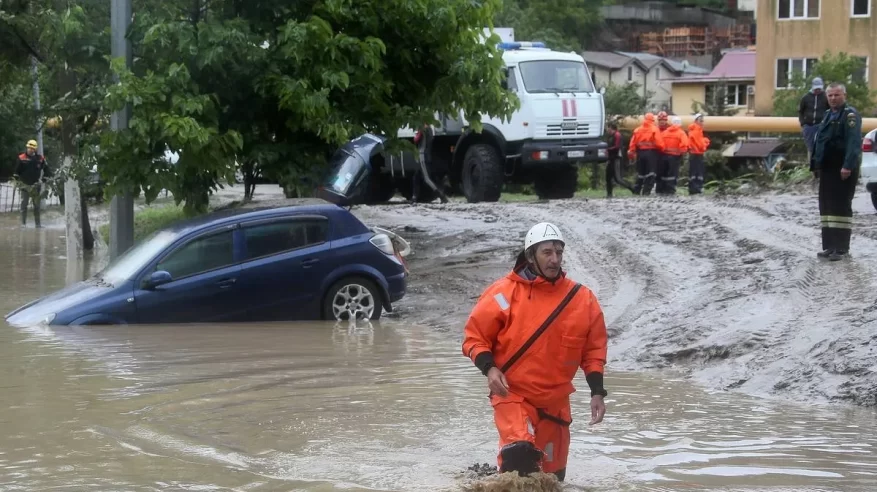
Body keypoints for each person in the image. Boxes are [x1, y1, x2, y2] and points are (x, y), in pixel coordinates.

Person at [461, 222, 609, 481]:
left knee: (552, 481)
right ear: (530, 256)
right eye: (547, 253)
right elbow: (474, 339)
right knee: (520, 457)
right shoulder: (502, 293)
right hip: (513, 396)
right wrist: (489, 368)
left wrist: (597, 391)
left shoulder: (583, 299)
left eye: (558, 253)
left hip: (556, 405)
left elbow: (594, 350)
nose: (554, 260)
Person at [811, 83, 862, 261]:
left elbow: (853, 143)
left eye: (837, 95)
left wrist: (847, 166)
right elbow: (821, 141)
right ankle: (829, 246)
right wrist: (816, 164)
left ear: (844, 96)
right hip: (828, 167)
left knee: (840, 206)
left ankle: (841, 248)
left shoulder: (850, 116)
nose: (833, 98)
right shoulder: (826, 115)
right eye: (830, 95)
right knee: (827, 207)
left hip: (843, 168)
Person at [15, 140, 53, 228]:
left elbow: (48, 170)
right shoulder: (21, 158)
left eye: (32, 148)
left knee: (36, 206)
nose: (30, 150)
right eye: (29, 148)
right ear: (27, 147)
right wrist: (17, 182)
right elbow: (16, 172)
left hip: (36, 185)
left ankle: (38, 224)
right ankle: (23, 224)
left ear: (35, 149)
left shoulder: (40, 159)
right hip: (24, 185)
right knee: (24, 205)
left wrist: (43, 180)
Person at [628, 112, 665, 195]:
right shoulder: (654, 129)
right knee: (651, 173)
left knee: (641, 173)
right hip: (651, 154)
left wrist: (632, 152)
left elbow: (632, 143)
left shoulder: (637, 130)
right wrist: (662, 149)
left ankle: (637, 190)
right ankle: (646, 191)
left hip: (640, 154)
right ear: (652, 120)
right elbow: (659, 143)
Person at [656, 116, 688, 195]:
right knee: (672, 174)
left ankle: (660, 189)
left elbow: (659, 143)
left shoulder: (665, 132)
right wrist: (682, 153)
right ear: (680, 124)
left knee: (663, 173)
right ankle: (670, 190)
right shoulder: (681, 133)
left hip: (663, 156)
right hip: (674, 157)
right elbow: (684, 145)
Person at [799, 77, 830, 157]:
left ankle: (821, 165)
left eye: (819, 89)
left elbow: (829, 110)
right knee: (810, 147)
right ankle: (811, 165)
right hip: (808, 126)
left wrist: (826, 122)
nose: (818, 91)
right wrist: (803, 123)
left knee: (821, 145)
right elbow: (801, 111)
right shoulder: (806, 98)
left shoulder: (826, 97)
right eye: (816, 89)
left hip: (821, 125)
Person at [687, 113, 710, 195]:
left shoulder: (695, 130)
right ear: (696, 121)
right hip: (697, 154)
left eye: (702, 121)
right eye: (701, 120)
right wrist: (706, 142)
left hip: (695, 154)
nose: (702, 122)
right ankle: (696, 188)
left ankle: (694, 188)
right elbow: (700, 144)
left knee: (694, 172)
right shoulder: (696, 130)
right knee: (697, 172)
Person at [604, 121, 623, 197]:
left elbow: (617, 147)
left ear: (612, 128)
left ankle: (632, 188)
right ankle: (609, 194)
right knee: (608, 177)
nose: (608, 130)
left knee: (618, 179)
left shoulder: (617, 135)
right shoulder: (610, 136)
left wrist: (608, 150)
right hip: (610, 159)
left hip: (616, 158)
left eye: (608, 128)